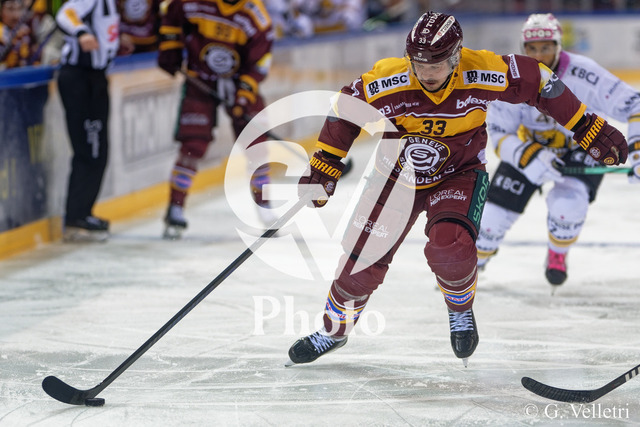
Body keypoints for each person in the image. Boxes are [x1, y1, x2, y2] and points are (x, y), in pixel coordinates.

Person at [286, 11, 627, 367]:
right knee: (361, 260)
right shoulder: (390, 78)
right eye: (418, 64)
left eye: (435, 65)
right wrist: (325, 162)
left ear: (455, 57)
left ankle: (460, 310)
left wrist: (586, 125)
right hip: (395, 177)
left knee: (450, 249)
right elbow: (346, 109)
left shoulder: (481, 70)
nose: (425, 74)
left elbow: (539, 81)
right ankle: (333, 331)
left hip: (458, 173)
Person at [475, 13, 640, 289]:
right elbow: (500, 134)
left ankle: (558, 252)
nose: (539, 55)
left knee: (567, 208)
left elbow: (634, 104)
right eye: (532, 48)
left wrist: (637, 150)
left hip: (580, 148)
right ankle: (471, 268)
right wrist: (527, 156)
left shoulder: (585, 73)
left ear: (559, 46)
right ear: (523, 48)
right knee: (489, 224)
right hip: (530, 147)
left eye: (546, 47)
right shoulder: (510, 76)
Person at [157, 0, 275, 239]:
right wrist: (170, 47)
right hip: (200, 80)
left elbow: (260, 62)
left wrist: (243, 95)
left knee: (256, 145)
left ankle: (265, 207)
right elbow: (170, 14)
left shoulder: (256, 16)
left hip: (239, 83)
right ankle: (175, 207)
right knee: (192, 146)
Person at [56, 0, 134, 242]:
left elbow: (102, 27)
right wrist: (81, 33)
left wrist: (115, 42)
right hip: (81, 79)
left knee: (98, 151)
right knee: (90, 150)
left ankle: (82, 214)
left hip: (95, 78)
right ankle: (77, 217)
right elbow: (66, 13)